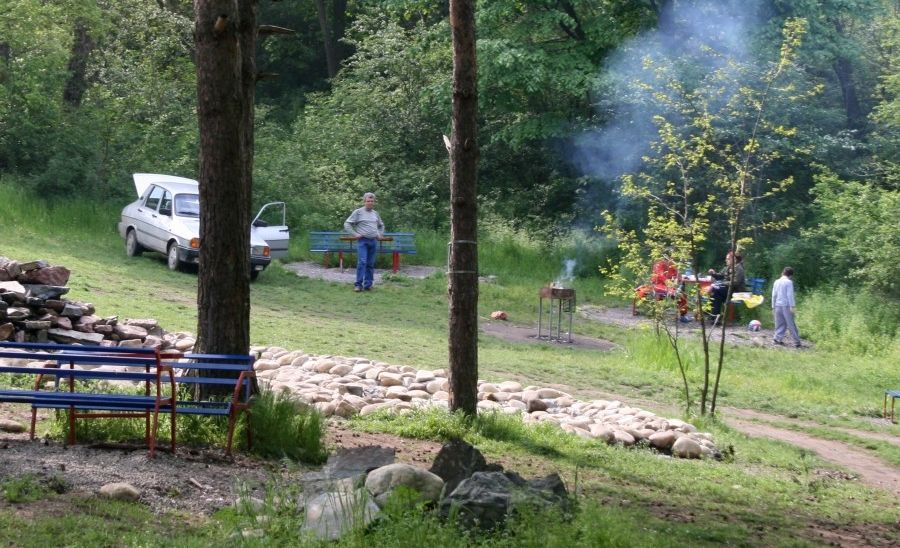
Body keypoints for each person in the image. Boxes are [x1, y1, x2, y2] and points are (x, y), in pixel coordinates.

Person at [344, 192, 385, 292]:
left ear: (374, 202)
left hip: (373, 241)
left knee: (370, 263)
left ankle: (368, 285)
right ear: (364, 201)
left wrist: (380, 234)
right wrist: (355, 234)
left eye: (372, 201)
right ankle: (358, 285)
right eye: (368, 201)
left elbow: (381, 225)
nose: (370, 203)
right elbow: (347, 224)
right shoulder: (358, 212)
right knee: (362, 262)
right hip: (362, 241)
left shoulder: (375, 213)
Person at [707, 251, 745, 317]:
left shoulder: (739, 268)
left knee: (715, 291)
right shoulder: (727, 268)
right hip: (727, 290)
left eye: (728, 259)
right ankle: (714, 315)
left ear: (734, 259)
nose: (726, 260)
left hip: (736, 292)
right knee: (715, 293)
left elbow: (736, 282)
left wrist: (722, 283)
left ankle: (714, 315)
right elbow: (720, 276)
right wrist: (713, 273)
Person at [771, 266, 802, 348]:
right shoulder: (789, 282)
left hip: (777, 305)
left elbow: (774, 295)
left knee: (779, 323)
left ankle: (777, 339)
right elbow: (790, 295)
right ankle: (797, 342)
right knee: (791, 324)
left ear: (783, 272)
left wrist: (773, 306)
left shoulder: (776, 281)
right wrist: (792, 306)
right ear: (790, 275)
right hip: (786, 305)